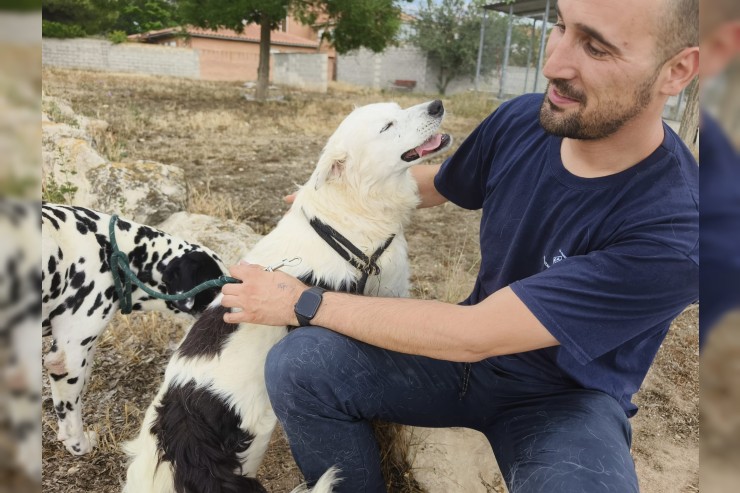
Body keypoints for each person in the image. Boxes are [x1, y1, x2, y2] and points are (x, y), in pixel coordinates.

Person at [221, 0, 699, 491]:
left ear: (677, 70)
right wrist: (339, 195)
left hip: (564, 400)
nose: (553, 64)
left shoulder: (676, 231)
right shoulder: (523, 121)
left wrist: (300, 300)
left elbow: (477, 332)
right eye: (560, 26)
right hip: (462, 366)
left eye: (596, 47)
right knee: (298, 364)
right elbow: (438, 185)